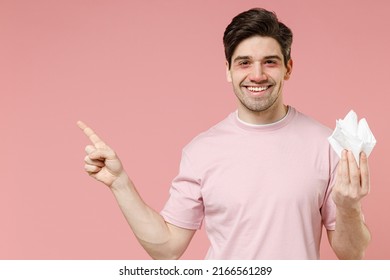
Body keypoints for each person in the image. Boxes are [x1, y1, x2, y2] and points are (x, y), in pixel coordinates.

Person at [78, 8, 371, 259]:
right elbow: (167, 248)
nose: (257, 74)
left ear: (288, 68)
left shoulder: (327, 145)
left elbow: (351, 253)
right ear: (228, 71)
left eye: (270, 61)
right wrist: (120, 184)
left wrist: (348, 206)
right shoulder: (201, 151)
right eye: (244, 62)